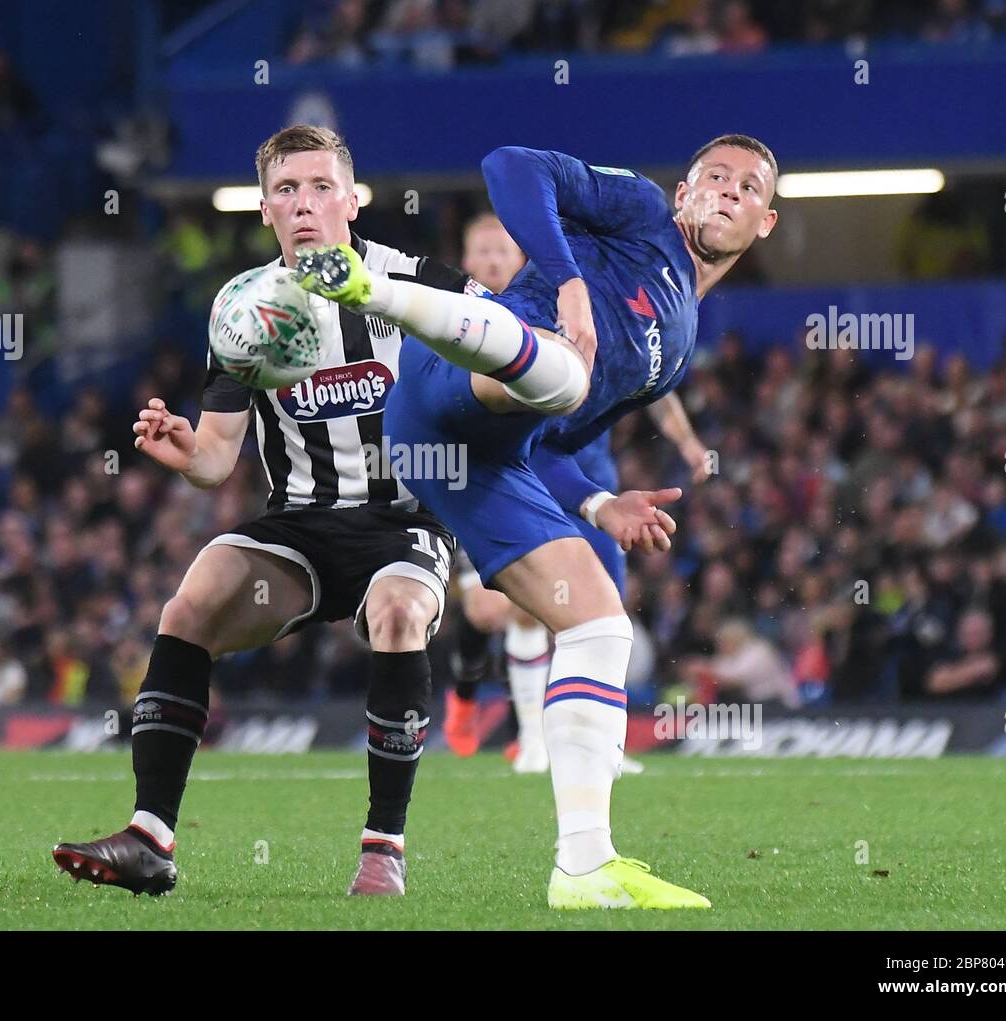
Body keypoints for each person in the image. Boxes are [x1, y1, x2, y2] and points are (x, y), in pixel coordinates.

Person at [296, 136, 778, 909]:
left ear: (765, 222)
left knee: (600, 624)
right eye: (713, 176)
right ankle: (370, 289)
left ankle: (584, 866)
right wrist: (568, 282)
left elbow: (551, 445)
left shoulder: (679, 344)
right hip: (440, 384)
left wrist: (596, 503)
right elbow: (507, 167)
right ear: (684, 190)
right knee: (560, 367)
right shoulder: (643, 213)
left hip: (473, 458)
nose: (726, 191)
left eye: (746, 187)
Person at [53, 125, 473, 898]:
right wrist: (187, 452)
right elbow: (218, 458)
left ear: (352, 199)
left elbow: (513, 360)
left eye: (320, 187)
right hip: (302, 528)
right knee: (194, 598)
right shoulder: (244, 308)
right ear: (265, 208)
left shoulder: (421, 281)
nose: (304, 204)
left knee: (398, 609)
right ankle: (150, 836)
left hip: (405, 523)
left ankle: (383, 848)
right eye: (286, 190)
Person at [446, 214, 711, 772]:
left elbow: (650, 375)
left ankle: (601, 749)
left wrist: (687, 443)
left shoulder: (565, 307)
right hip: (503, 474)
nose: (494, 260)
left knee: (603, 616)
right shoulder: (459, 321)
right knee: (504, 610)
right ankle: (496, 713)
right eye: (483, 250)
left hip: (589, 478)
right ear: (467, 260)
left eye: (504, 248)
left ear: (522, 257)